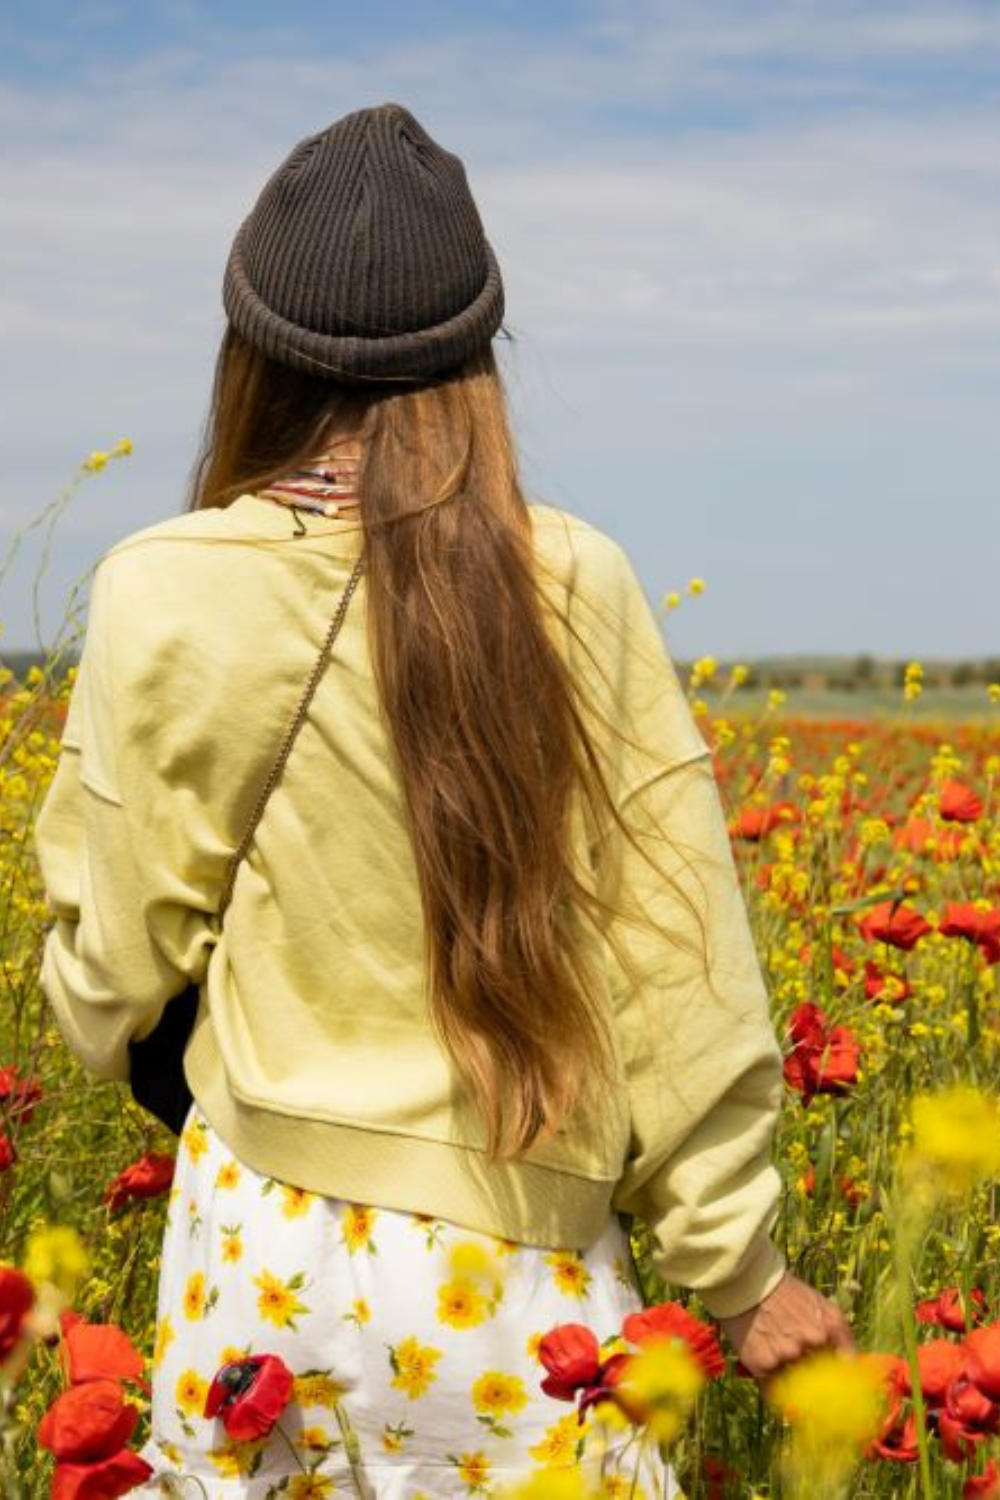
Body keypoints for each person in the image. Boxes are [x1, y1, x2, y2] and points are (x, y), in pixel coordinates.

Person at [33, 103, 852, 1498]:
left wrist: (167, 1060)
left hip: (257, 1270)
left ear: (249, 350)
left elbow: (114, 963)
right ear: (480, 355)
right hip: (522, 1298)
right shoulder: (574, 582)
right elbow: (677, 960)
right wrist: (736, 1267)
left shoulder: (158, 585)